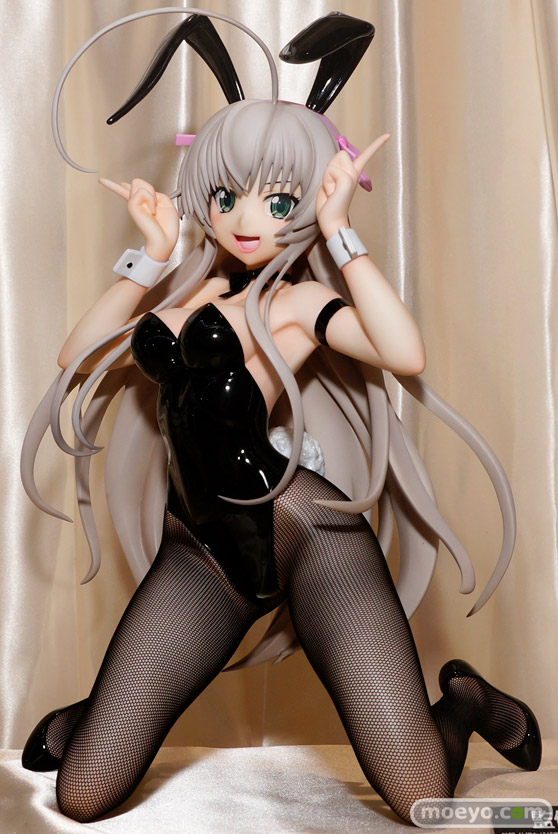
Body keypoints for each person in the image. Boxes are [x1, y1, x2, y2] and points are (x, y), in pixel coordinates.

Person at [20, 9, 541, 825]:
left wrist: (341, 233)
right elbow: (78, 358)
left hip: (305, 528)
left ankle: (464, 702)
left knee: (419, 796)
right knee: (83, 796)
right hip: (202, 548)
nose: (246, 218)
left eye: (279, 199)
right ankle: (103, 713)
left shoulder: (295, 304)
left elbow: (404, 354)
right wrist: (149, 256)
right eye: (227, 195)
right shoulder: (185, 296)